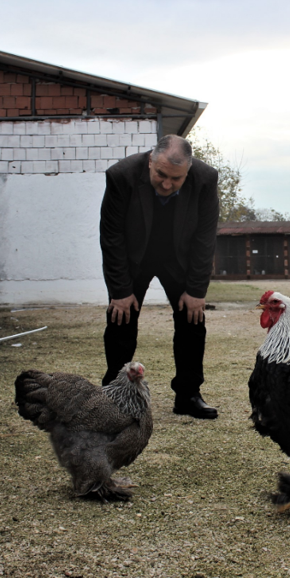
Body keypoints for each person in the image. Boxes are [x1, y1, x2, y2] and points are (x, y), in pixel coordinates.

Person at [100, 134, 219, 419]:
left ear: (188, 171)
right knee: (120, 320)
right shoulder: (121, 176)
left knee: (192, 321)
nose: (167, 184)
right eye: (161, 175)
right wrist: (120, 291)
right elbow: (112, 236)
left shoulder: (205, 179)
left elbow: (205, 238)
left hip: (179, 259)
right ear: (150, 162)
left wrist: (196, 290)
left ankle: (188, 395)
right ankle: (116, 396)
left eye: (176, 179)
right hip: (133, 258)